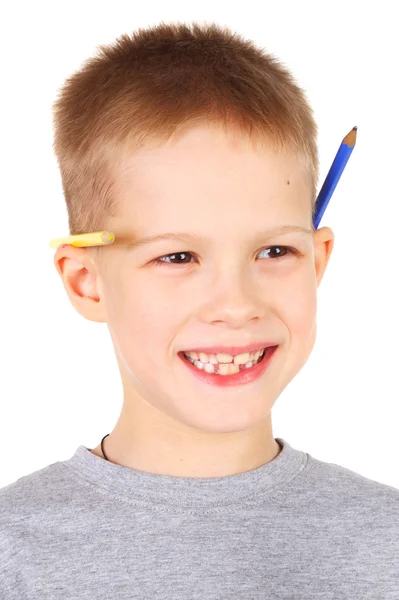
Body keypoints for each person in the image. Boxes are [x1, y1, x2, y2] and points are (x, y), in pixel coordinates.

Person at [1, 21, 398, 599]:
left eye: (274, 250)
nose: (236, 305)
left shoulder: (386, 544)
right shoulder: (15, 552)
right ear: (88, 283)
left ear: (317, 261)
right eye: (179, 256)